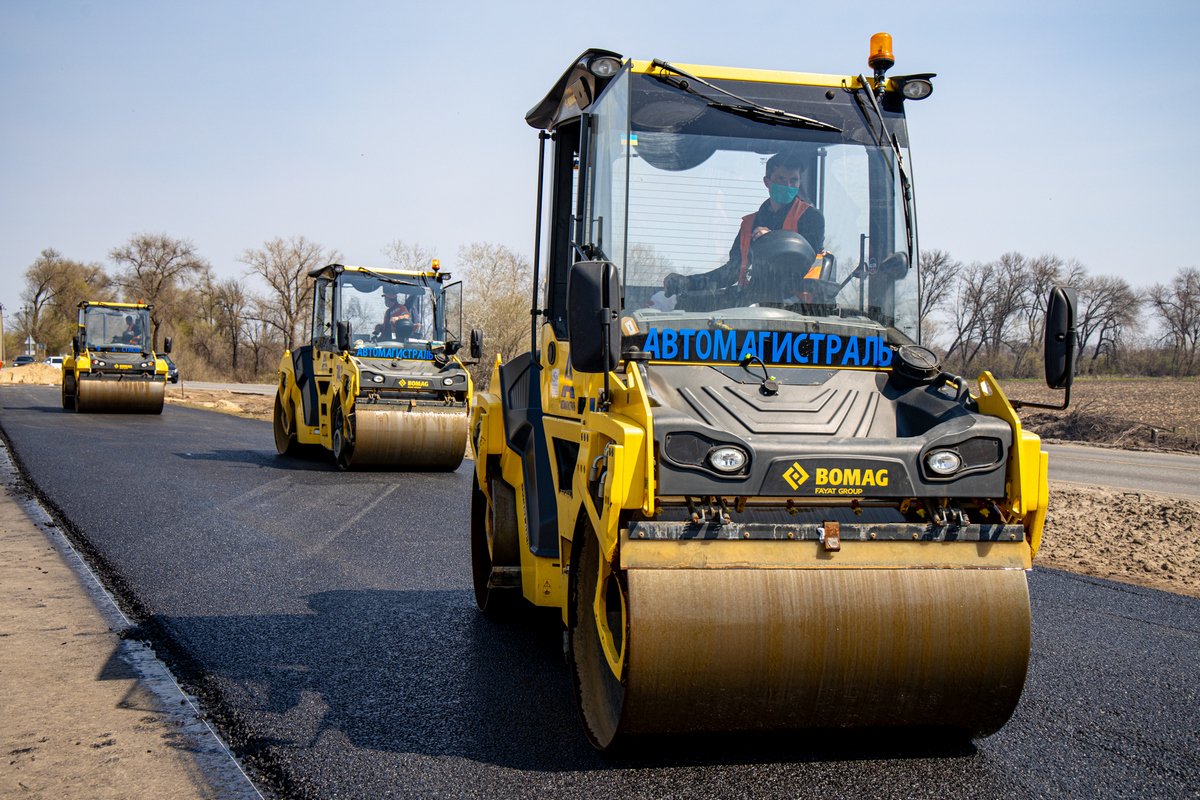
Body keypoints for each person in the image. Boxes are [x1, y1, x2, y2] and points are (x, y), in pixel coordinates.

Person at [664, 151, 826, 295]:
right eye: (781, 179)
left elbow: (804, 266)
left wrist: (773, 240)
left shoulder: (811, 218)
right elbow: (732, 271)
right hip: (749, 306)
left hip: (795, 308)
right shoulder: (749, 224)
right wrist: (690, 282)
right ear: (767, 182)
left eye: (794, 180)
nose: (788, 185)